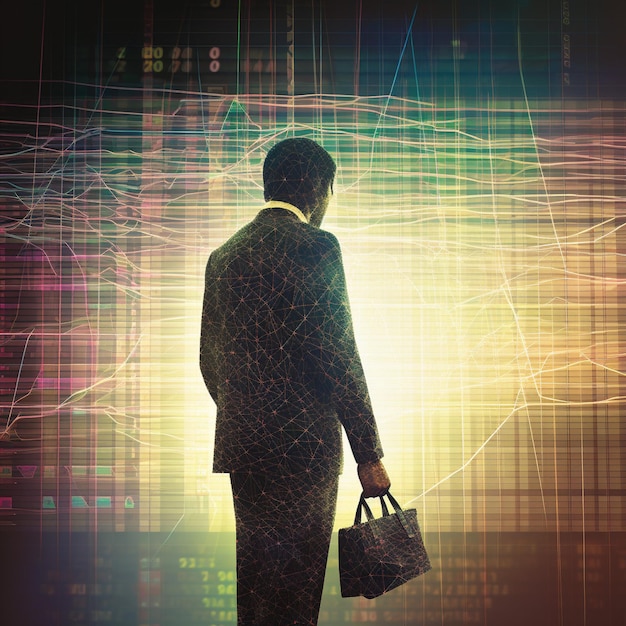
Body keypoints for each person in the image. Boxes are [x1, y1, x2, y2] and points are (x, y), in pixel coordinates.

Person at [200, 137, 390, 626]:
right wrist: (368, 454)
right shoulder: (317, 246)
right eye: (330, 189)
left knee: (258, 592)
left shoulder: (223, 258)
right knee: (297, 597)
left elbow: (209, 361)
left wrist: (248, 411)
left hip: (246, 451)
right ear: (317, 187)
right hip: (305, 452)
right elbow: (339, 357)